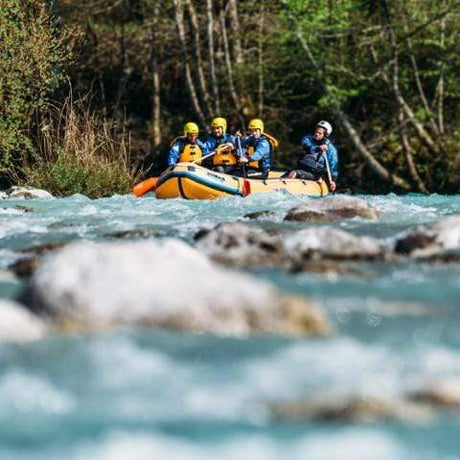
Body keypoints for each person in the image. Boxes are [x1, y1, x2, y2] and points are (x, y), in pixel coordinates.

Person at [285, 120, 338, 191]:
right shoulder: (308, 139)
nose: (317, 134)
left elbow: (333, 166)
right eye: (316, 132)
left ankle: (288, 190)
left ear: (325, 135)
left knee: (294, 173)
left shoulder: (331, 149)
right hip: (301, 168)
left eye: (320, 133)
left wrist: (333, 181)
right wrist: (318, 148)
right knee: (284, 176)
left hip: (314, 174)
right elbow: (306, 146)